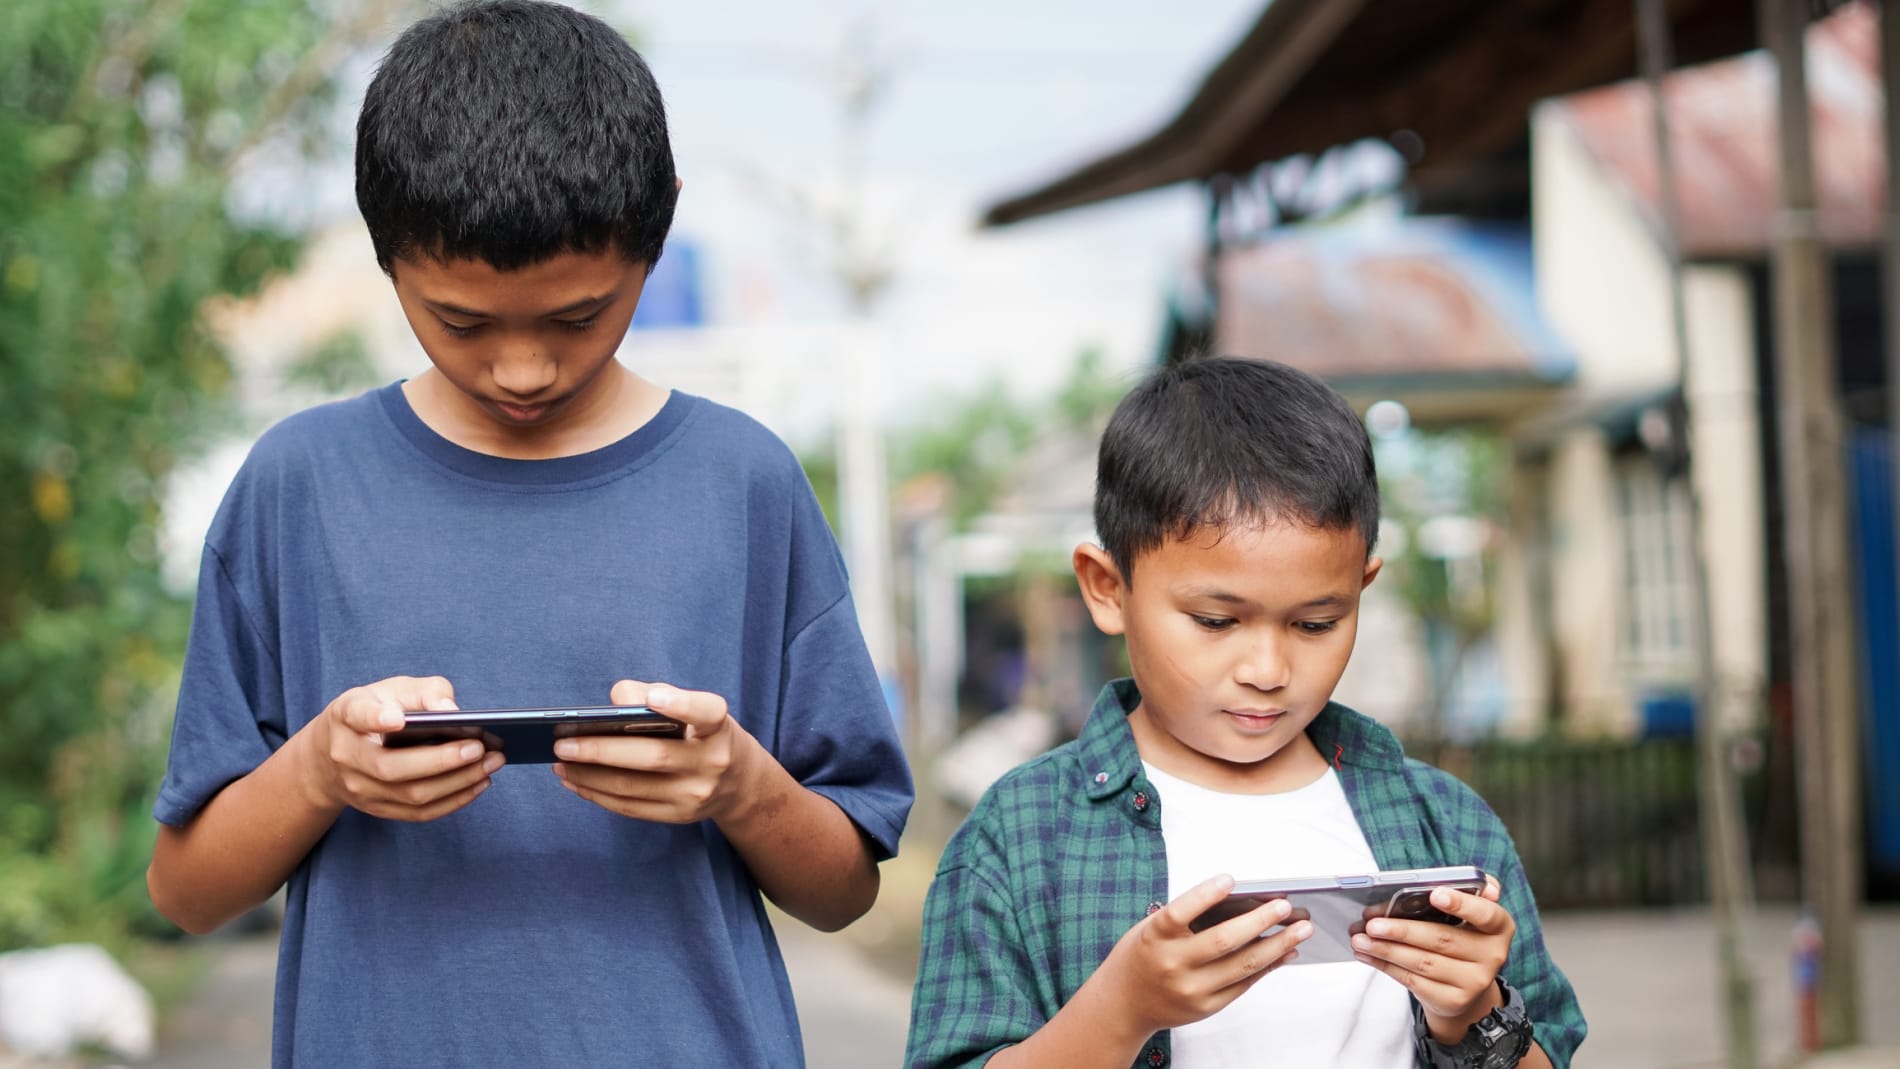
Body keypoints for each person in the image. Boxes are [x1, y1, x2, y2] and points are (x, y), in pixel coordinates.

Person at [145, 4, 912, 1065]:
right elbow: (185, 891)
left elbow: (842, 887)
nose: (521, 369)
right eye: (461, 321)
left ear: (659, 229)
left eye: (577, 316)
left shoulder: (745, 483)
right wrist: (319, 770)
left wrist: (740, 784)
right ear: (383, 246)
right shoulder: (300, 484)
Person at [905, 356, 1584, 1069]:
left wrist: (1471, 1015)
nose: (1267, 671)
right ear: (1107, 587)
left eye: (1316, 624)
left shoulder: (1445, 821)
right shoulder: (1021, 837)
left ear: (1362, 585)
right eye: (1216, 621)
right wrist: (1121, 1008)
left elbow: (1549, 1053)